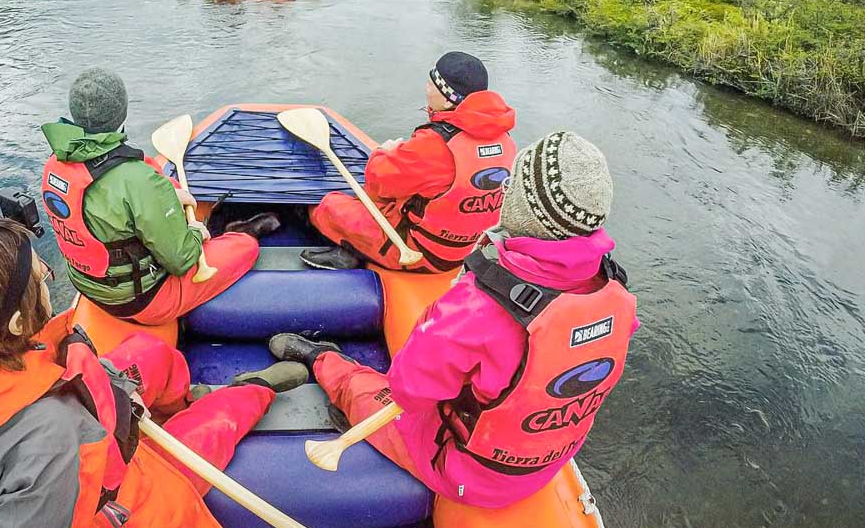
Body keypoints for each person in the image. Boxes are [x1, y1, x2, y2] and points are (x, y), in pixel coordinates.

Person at [0, 212, 308, 528]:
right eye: (41, 278)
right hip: (109, 509)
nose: (48, 281)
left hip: (81, 426)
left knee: (150, 352)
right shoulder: (46, 440)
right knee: (218, 423)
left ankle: (177, 402)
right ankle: (254, 388)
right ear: (16, 324)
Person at [269, 132, 638, 508]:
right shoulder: (618, 296)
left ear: (521, 207)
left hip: (464, 471)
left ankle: (323, 359)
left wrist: (454, 300)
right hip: (542, 465)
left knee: (367, 391)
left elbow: (407, 389)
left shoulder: (480, 306)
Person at [42, 68, 279, 324]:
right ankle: (239, 230)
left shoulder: (55, 164)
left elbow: (107, 208)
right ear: (122, 111)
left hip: (88, 285)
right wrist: (198, 232)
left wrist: (164, 197)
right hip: (143, 301)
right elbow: (182, 260)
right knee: (246, 248)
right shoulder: (137, 179)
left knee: (161, 197)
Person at [303, 52, 516, 272]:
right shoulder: (505, 140)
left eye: (430, 83)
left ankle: (353, 252)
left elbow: (378, 183)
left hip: (421, 252)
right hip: (470, 249)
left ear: (446, 99)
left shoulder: (435, 144)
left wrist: (383, 152)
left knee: (328, 205)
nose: (426, 89)